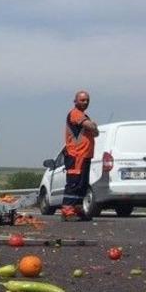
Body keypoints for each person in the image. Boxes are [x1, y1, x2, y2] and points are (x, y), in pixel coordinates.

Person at [62, 90, 99, 220]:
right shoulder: (75, 114)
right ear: (75, 101)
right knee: (74, 182)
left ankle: (77, 209)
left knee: (82, 184)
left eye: (87, 100)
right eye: (82, 100)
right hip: (76, 155)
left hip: (85, 155)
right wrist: (93, 126)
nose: (85, 102)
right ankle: (67, 210)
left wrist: (93, 127)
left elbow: (95, 132)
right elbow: (90, 126)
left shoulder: (84, 115)